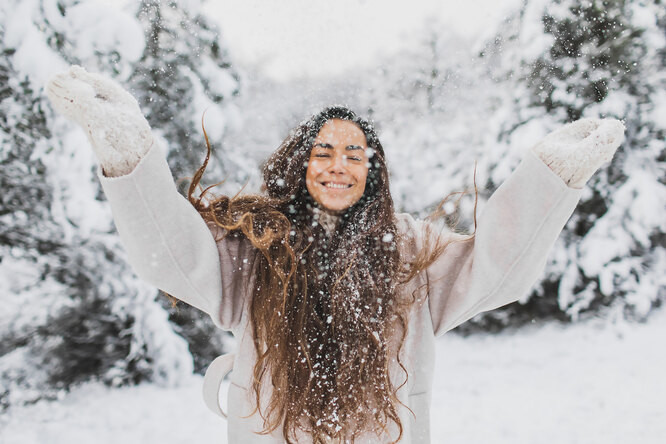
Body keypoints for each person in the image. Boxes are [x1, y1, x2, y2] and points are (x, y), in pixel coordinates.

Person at [46, 66, 625, 444]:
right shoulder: (257, 247)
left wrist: (552, 176)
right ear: (302, 163)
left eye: (355, 152)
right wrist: (127, 151)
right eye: (323, 151)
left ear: (373, 170)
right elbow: (168, 255)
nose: (338, 164)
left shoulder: (414, 251)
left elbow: (497, 271)